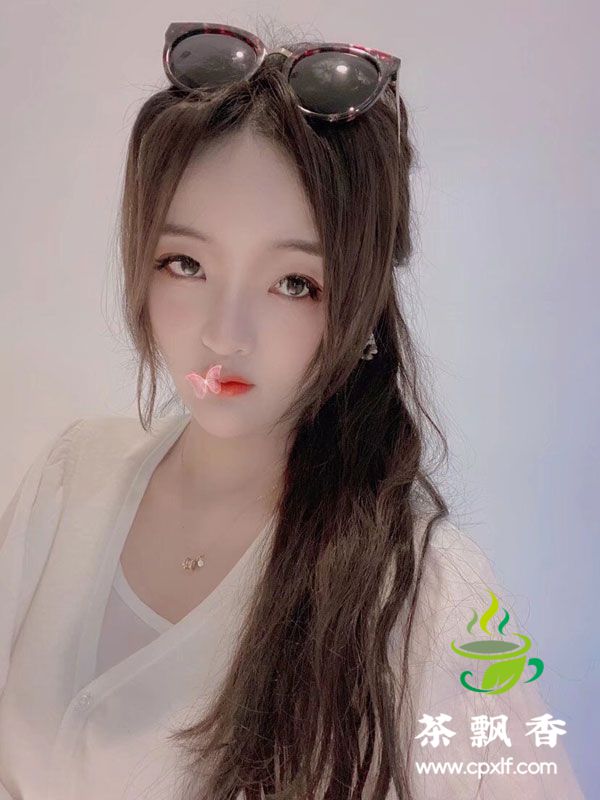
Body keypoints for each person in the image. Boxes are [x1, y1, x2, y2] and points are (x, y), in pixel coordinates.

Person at [0, 23, 585, 800]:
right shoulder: (72, 478)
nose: (224, 333)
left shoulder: (425, 598)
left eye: (293, 283)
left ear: (359, 303)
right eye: (186, 263)